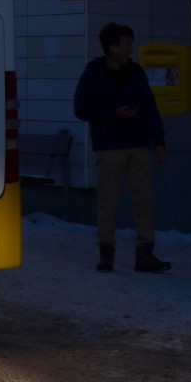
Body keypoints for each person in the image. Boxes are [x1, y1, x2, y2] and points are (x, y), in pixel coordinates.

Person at [73, 22, 170, 273]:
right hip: (110, 146)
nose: (130, 49)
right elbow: (81, 108)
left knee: (144, 200)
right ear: (112, 47)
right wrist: (113, 113)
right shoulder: (93, 74)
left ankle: (145, 254)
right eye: (127, 44)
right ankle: (106, 254)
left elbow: (149, 106)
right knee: (108, 201)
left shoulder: (136, 72)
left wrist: (159, 141)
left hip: (138, 143)